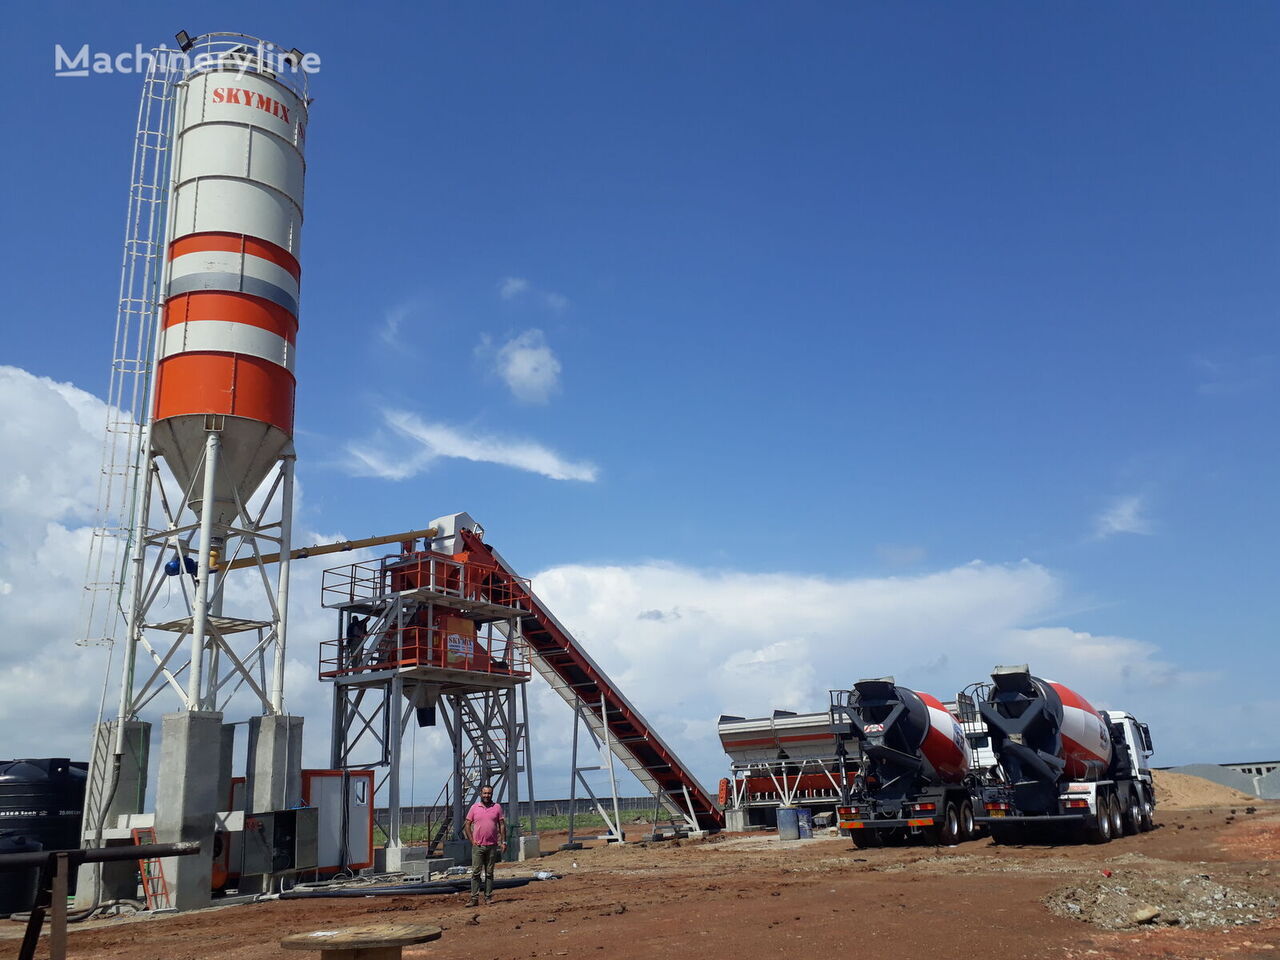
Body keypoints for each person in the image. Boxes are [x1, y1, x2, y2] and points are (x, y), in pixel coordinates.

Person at [463, 785, 506, 906]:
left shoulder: (497, 807)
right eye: (485, 793)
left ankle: (488, 897)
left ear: (492, 794)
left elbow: (502, 825)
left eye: (489, 793)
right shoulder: (474, 808)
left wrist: (504, 842)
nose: (487, 795)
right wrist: (472, 840)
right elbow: (467, 824)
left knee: (489, 872)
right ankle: (474, 898)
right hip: (478, 846)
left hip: (492, 845)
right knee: (476, 872)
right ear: (481, 794)